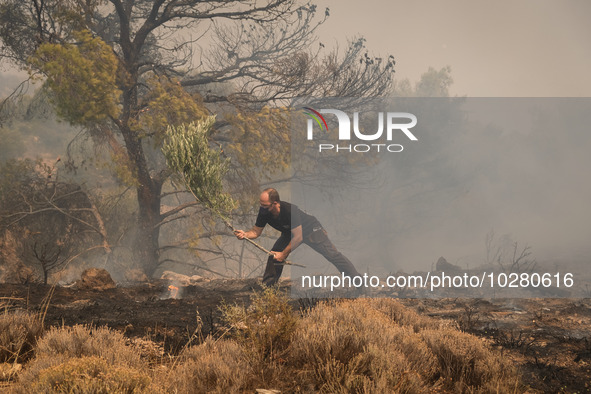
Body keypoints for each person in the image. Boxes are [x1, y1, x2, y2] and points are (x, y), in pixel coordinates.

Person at [234, 188, 360, 286]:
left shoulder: (289, 210)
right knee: (274, 255)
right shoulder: (264, 212)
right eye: (261, 204)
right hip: (291, 232)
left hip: (312, 230)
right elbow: (256, 231)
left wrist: (283, 255)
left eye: (265, 205)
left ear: (275, 203)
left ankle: (360, 283)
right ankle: (268, 291)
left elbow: (298, 237)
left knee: (333, 255)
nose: (262, 208)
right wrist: (245, 234)